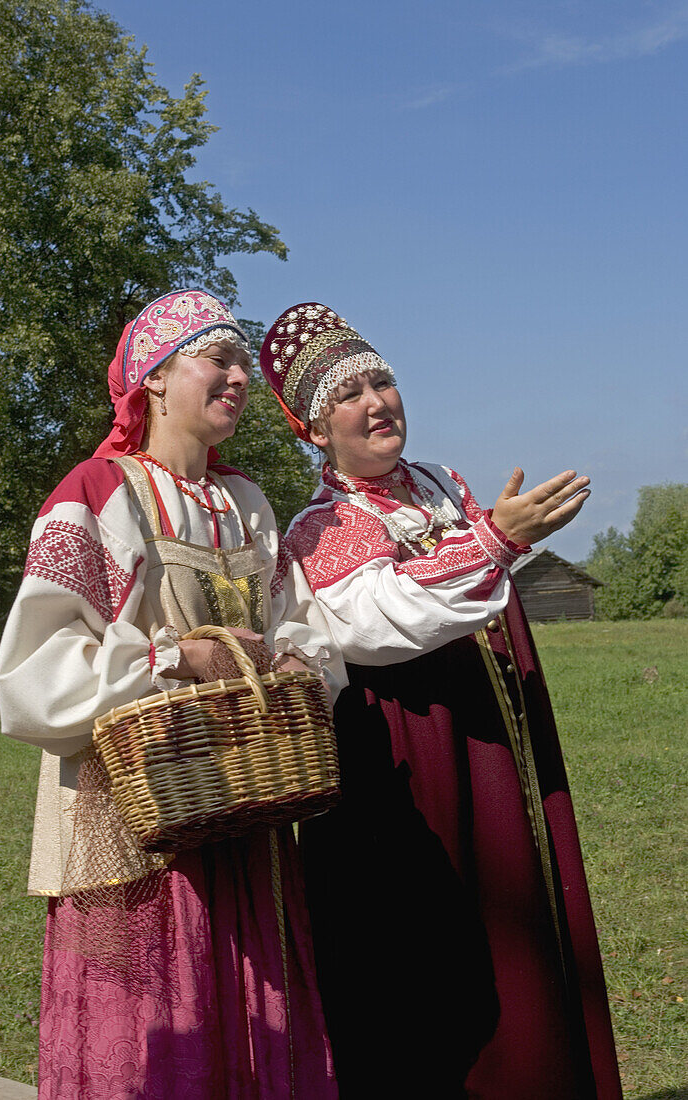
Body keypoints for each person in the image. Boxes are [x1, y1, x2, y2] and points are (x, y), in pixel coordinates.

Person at [260, 302, 624, 1100]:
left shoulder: (437, 484)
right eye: (347, 395)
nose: (376, 402)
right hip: (411, 761)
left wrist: (489, 535)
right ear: (316, 431)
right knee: (435, 947)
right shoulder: (321, 528)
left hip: (488, 734)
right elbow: (385, 618)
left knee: (519, 914)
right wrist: (495, 539)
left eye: (381, 380)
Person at [0, 290, 344, 1100]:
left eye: (240, 364)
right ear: (153, 377)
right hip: (130, 824)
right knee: (154, 1037)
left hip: (245, 805)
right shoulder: (95, 495)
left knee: (257, 1023)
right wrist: (170, 659)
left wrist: (296, 666)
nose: (237, 377)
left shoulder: (247, 504)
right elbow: (32, 675)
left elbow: (300, 625)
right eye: (215, 359)